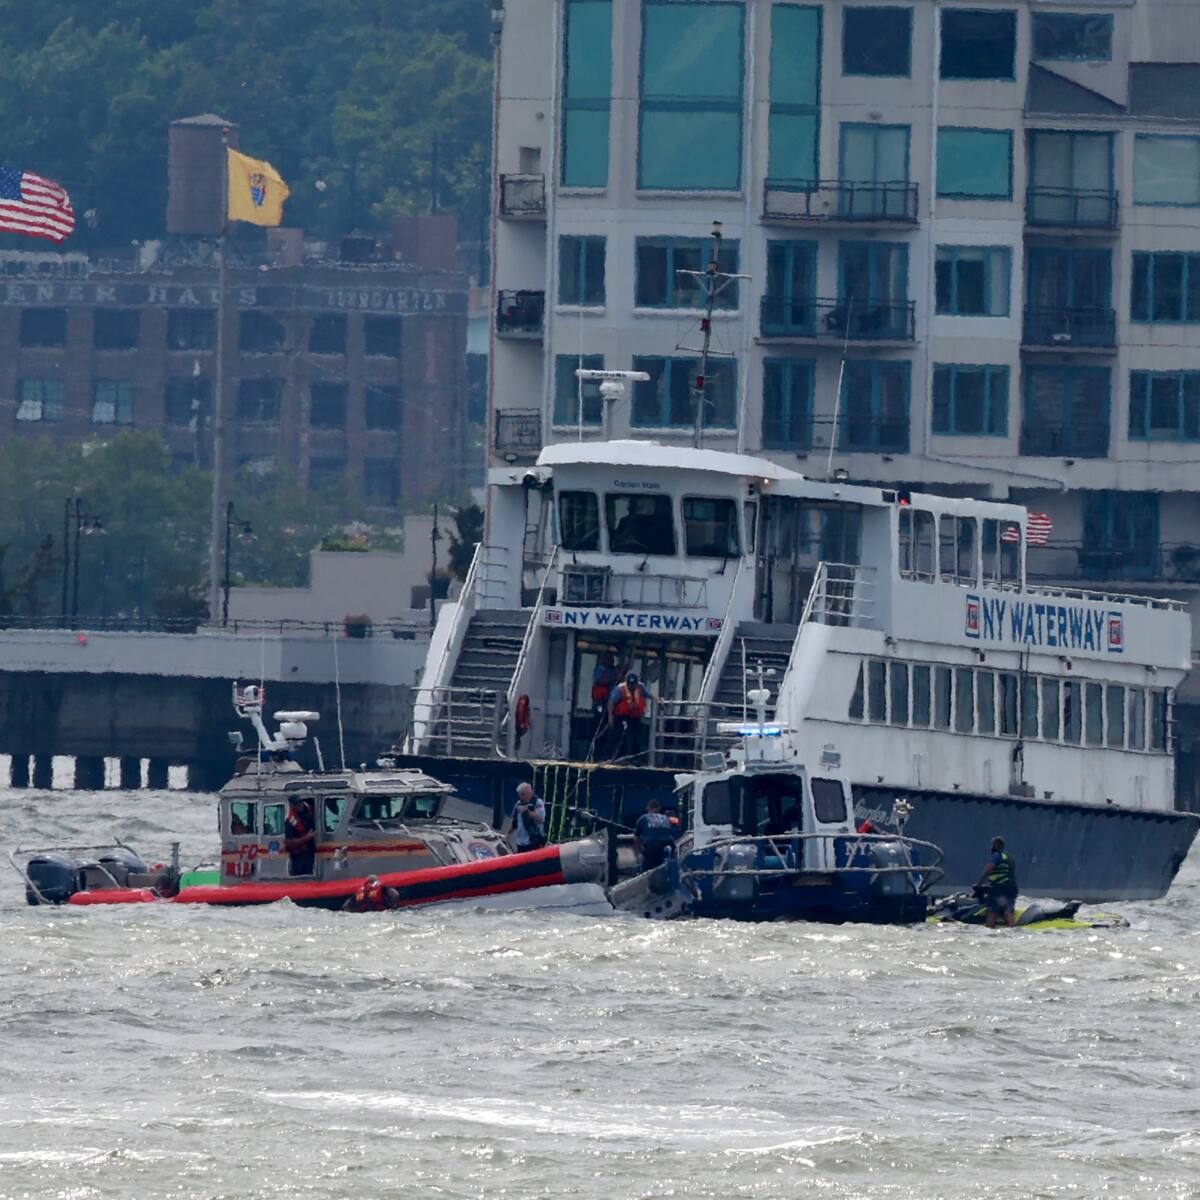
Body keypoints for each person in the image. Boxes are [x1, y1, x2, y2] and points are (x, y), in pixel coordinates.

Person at [975, 836, 1019, 928]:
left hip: (999, 888)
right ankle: (1012, 929)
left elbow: (988, 870)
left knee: (993, 909)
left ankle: (989, 930)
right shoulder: (1009, 858)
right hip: (1012, 888)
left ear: (995, 845)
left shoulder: (996, 855)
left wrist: (978, 885)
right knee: (1009, 909)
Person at [609, 672, 650, 762]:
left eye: (634, 684)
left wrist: (659, 700)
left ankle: (635, 758)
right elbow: (611, 702)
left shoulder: (641, 687)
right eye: (630, 684)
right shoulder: (619, 689)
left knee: (636, 737)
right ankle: (618, 757)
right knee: (619, 736)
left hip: (635, 717)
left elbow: (650, 695)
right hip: (621, 716)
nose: (632, 687)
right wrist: (610, 717)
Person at [634, 799, 676, 871]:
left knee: (646, 871)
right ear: (659, 808)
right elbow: (673, 832)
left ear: (648, 808)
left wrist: (641, 850)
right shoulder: (666, 818)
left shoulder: (643, 818)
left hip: (651, 847)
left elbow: (636, 838)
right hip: (669, 847)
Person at [590, 652, 619, 754]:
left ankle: (608, 754)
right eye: (608, 659)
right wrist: (615, 677)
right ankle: (596, 753)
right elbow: (601, 681)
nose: (611, 661)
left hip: (614, 706)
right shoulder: (600, 670)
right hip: (601, 704)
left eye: (611, 659)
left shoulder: (614, 670)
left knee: (611, 732)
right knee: (599, 729)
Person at [508, 782, 547, 852]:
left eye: (523, 795)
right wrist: (507, 834)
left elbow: (541, 819)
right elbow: (514, 821)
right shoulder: (519, 803)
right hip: (520, 843)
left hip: (533, 842)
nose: (521, 797)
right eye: (520, 795)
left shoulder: (538, 803)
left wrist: (527, 811)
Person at [284, 796, 317, 876]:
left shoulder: (307, 808)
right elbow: (288, 842)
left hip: (309, 851)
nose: (300, 805)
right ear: (292, 805)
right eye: (297, 804)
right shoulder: (290, 821)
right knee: (300, 874)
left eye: (300, 802)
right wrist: (306, 838)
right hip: (298, 855)